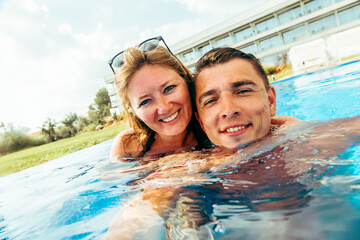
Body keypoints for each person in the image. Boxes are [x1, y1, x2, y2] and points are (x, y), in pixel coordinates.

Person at [108, 36, 210, 159]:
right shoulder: (128, 146)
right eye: (145, 101)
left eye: (169, 88)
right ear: (133, 110)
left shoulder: (215, 124)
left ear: (186, 80)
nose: (164, 108)